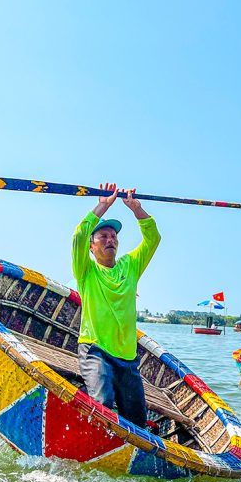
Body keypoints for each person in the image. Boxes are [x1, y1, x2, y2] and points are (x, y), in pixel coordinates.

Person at [72, 183, 160, 428]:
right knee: (102, 402)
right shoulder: (86, 271)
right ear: (92, 246)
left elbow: (153, 238)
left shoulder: (130, 266)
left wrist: (136, 209)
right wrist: (103, 205)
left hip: (127, 358)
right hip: (95, 349)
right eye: (103, 236)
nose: (110, 240)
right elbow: (79, 235)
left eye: (113, 236)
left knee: (138, 422)